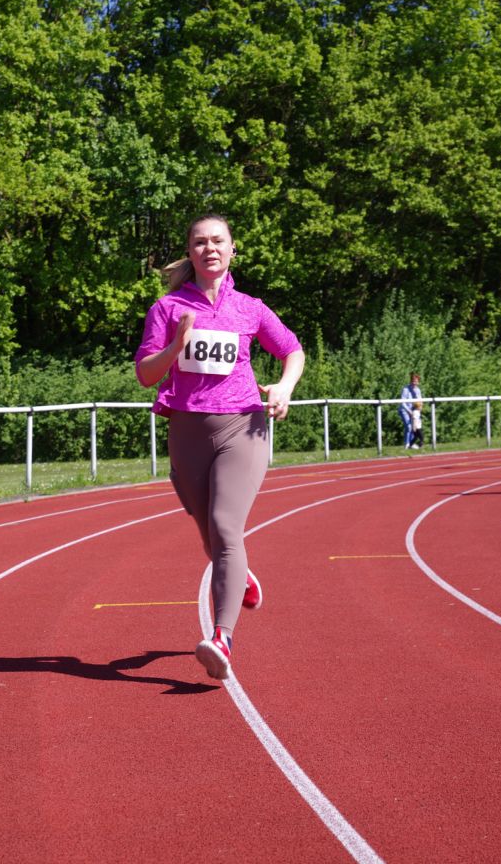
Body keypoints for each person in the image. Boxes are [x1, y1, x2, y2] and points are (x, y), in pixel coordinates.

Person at [134, 214, 305, 681]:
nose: (209, 248)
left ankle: (221, 639)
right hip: (187, 431)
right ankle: (240, 575)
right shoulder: (167, 308)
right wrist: (176, 346)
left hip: (243, 427)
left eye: (217, 241)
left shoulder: (250, 308)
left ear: (232, 250)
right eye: (200, 242)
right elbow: (146, 374)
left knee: (226, 527)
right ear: (190, 253)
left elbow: (292, 350)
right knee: (211, 536)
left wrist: (284, 387)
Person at [398, 372, 423, 449]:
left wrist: (420, 407)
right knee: (408, 427)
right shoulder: (405, 389)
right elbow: (402, 402)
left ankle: (411, 444)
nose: (414, 383)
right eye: (413, 381)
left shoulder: (418, 390)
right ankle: (407, 444)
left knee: (414, 427)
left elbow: (420, 401)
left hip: (414, 411)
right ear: (411, 381)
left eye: (416, 381)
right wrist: (409, 411)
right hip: (404, 410)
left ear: (418, 382)